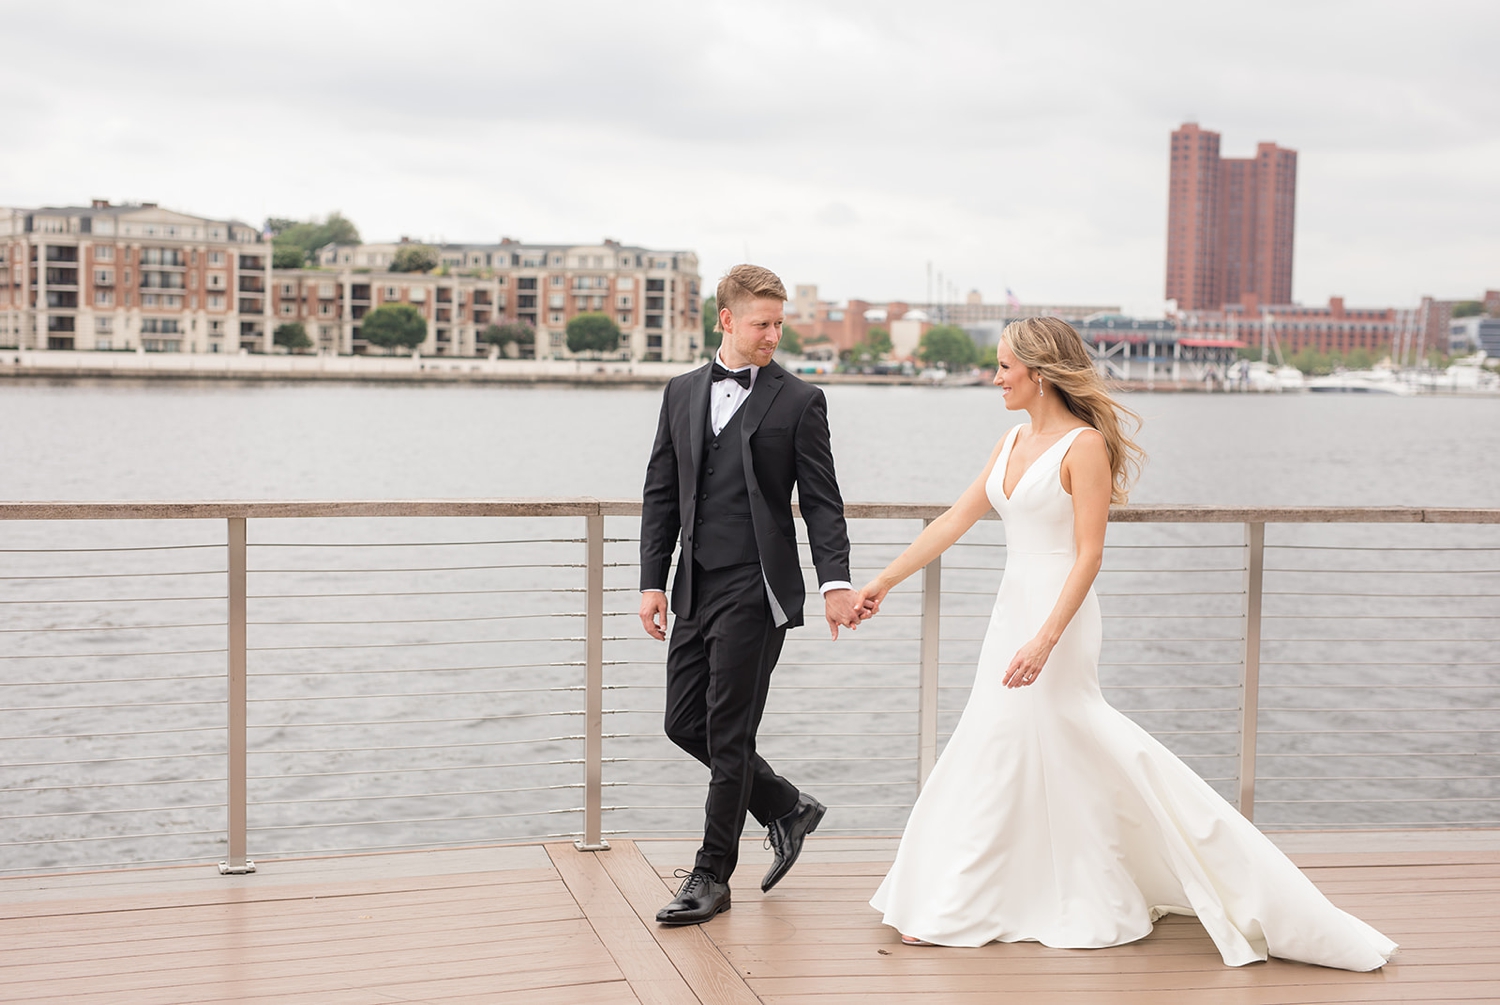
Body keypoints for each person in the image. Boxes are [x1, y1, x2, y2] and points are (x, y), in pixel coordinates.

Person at [858, 317, 1396, 971]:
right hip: (1011, 611)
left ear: (1040, 373)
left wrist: (1046, 639)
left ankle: (962, 903)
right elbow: (954, 518)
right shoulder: (1010, 441)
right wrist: (883, 582)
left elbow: (1089, 555)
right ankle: (1007, 890)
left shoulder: (1083, 446)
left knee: (1031, 736)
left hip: (1060, 616)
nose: (994, 378)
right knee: (1007, 740)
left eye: (1004, 367)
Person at [639, 264, 869, 926]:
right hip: (694, 583)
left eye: (779, 322)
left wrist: (835, 582)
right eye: (762, 323)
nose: (773, 334)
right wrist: (653, 579)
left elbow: (823, 502)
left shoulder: (799, 400)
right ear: (727, 321)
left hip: (757, 586)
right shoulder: (681, 392)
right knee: (684, 722)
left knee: (731, 731)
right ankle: (785, 806)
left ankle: (711, 875)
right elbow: (661, 491)